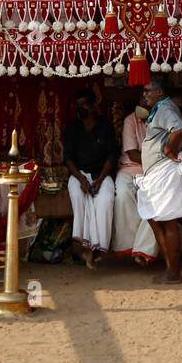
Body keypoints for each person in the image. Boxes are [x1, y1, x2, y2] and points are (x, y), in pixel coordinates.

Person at [136, 77, 182, 283]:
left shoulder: (166, 108)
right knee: (157, 219)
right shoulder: (160, 108)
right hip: (157, 172)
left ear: (159, 92)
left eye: (147, 90)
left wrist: (168, 149)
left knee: (168, 222)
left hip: (163, 170)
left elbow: (179, 129)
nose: (144, 95)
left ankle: (173, 272)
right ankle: (170, 268)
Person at [63, 87, 117, 269]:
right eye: (78, 106)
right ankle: (86, 248)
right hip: (78, 175)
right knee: (80, 199)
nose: (81, 109)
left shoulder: (105, 126)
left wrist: (100, 180)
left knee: (106, 200)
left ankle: (99, 248)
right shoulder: (72, 127)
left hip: (102, 175)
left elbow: (111, 156)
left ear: (93, 106)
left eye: (84, 105)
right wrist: (81, 179)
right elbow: (68, 158)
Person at [111, 92, 158, 265]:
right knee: (122, 196)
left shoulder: (160, 120)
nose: (144, 103)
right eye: (141, 100)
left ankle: (143, 249)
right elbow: (132, 154)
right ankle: (128, 245)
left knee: (155, 201)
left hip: (153, 172)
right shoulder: (130, 120)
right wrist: (155, 159)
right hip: (128, 169)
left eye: (147, 100)